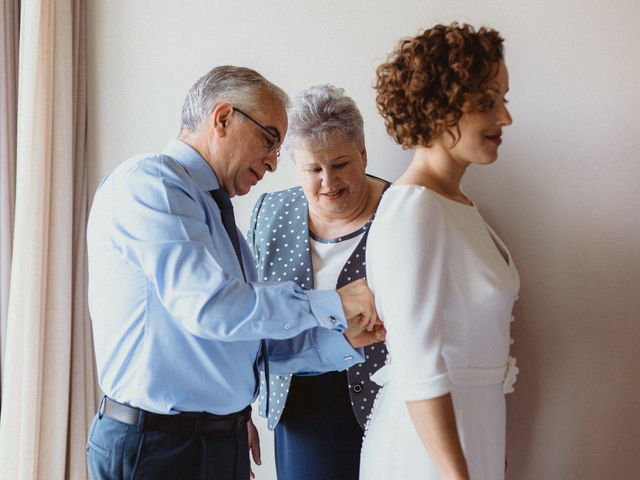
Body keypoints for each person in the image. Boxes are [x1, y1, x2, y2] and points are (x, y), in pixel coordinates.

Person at [85, 65, 383, 480]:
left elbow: (252, 342)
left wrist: (340, 339)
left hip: (215, 444)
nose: (274, 163)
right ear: (223, 118)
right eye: (270, 140)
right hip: (157, 448)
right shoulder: (151, 184)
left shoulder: (223, 222)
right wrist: (332, 302)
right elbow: (211, 308)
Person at [360, 23, 520, 480]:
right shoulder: (414, 208)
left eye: (504, 100)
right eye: (488, 101)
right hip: (427, 455)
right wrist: (457, 473)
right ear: (439, 107)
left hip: (475, 433)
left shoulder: (459, 206)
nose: (505, 119)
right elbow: (417, 362)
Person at [247, 84, 390, 479]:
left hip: (389, 399)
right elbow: (247, 318)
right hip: (301, 405)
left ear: (363, 153)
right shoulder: (270, 213)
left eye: (340, 163)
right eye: (313, 169)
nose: (328, 181)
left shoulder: (401, 212)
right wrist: (237, 408)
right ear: (296, 165)